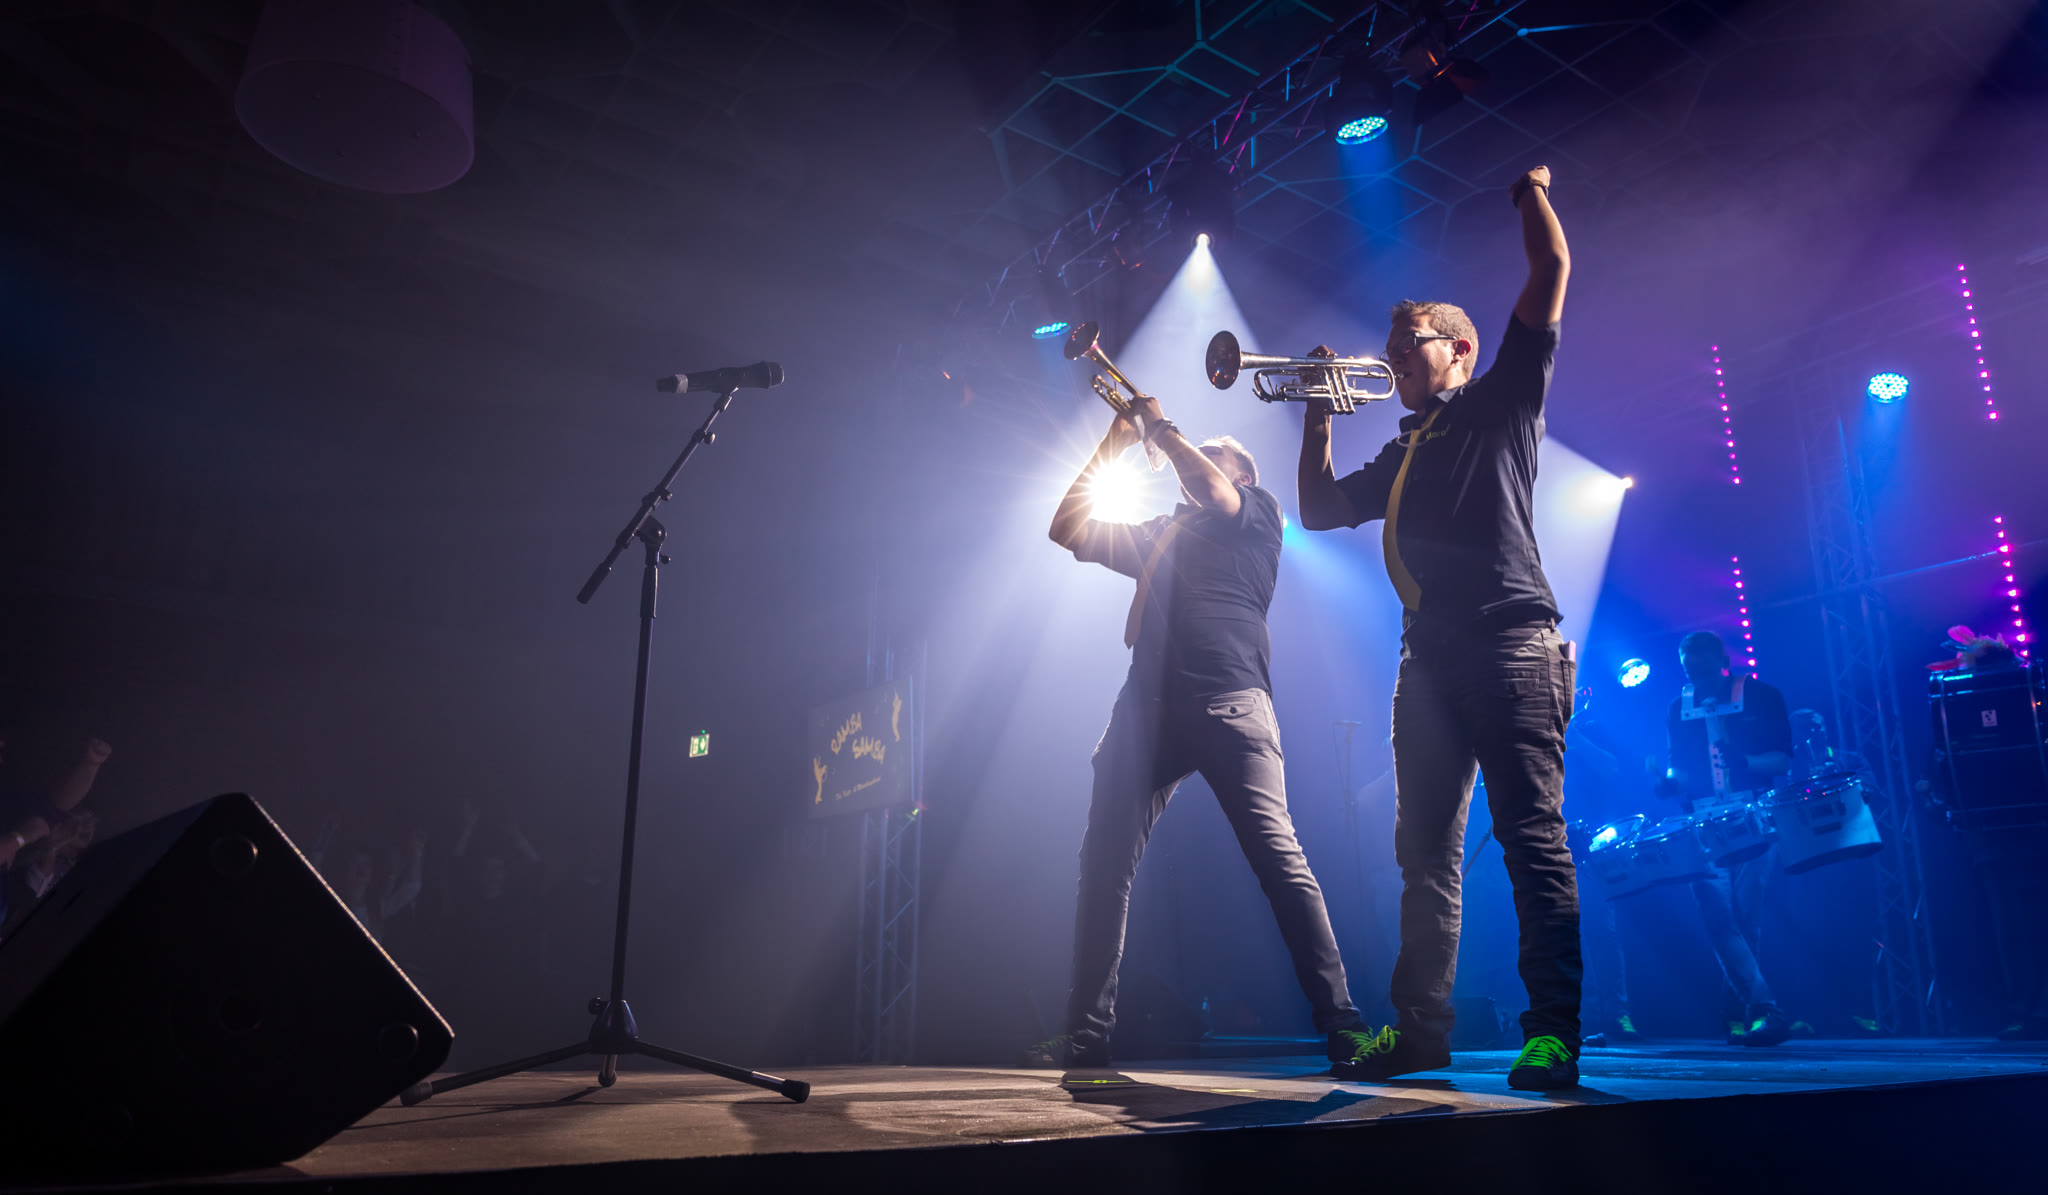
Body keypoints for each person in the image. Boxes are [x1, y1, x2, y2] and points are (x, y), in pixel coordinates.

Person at [1296, 164, 1581, 1090]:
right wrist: (1316, 417)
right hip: (1426, 660)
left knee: (1531, 840)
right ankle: (1420, 1033)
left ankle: (1553, 1033)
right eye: (1387, 345)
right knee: (1424, 857)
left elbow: (1551, 271)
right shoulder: (1405, 446)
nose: (1389, 358)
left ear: (1458, 349)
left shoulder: (1500, 399)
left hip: (1511, 644)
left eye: (1406, 342)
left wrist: (1529, 191)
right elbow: (1318, 511)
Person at [1047, 390, 1371, 1082]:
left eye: (1212, 454)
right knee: (1102, 867)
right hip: (1145, 714)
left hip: (1231, 701)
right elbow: (1067, 528)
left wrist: (1163, 430)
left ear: (1242, 474)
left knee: (1277, 858)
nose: (1193, 459)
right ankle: (1085, 1034)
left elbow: (1213, 490)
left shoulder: (1257, 511)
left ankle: (1343, 1020)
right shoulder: (1162, 532)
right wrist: (1115, 441)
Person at [1656, 631, 1795, 1046]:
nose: (1697, 680)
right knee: (1718, 917)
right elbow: (1679, 770)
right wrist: (1668, 784)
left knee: (1745, 919)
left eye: (1704, 671)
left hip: (1753, 815)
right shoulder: (1678, 707)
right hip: (1701, 822)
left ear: (1723, 662)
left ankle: (1738, 1011)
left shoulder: (1762, 696)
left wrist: (1745, 761)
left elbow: (1782, 761)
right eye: (1690, 672)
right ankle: (1765, 1010)